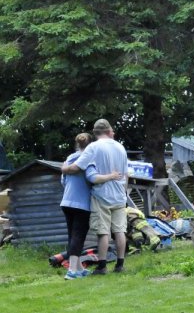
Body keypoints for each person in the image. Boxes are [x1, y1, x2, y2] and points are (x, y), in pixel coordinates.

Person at [62, 119, 128, 275]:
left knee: (103, 232)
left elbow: (76, 167)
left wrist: (64, 168)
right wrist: (124, 192)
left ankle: (102, 266)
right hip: (119, 195)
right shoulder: (121, 147)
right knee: (120, 230)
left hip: (102, 195)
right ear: (109, 130)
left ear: (95, 132)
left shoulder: (93, 147)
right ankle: (120, 264)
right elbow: (126, 174)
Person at [59, 133, 95, 280]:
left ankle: (79, 268)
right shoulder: (89, 158)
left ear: (77, 144)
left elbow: (63, 181)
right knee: (79, 236)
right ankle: (72, 271)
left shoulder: (69, 158)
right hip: (82, 203)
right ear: (90, 144)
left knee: (72, 235)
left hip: (66, 201)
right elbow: (92, 178)